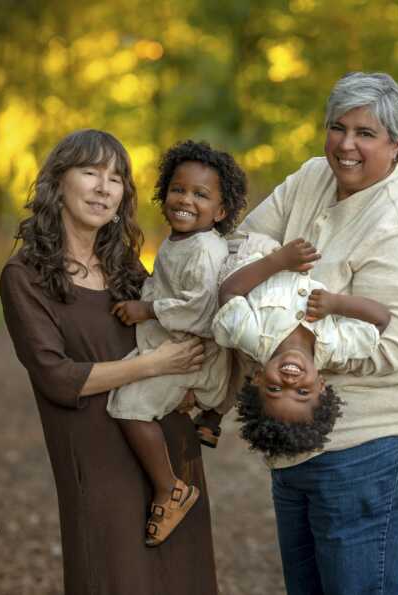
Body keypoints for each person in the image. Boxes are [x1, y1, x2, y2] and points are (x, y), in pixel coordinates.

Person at [238, 72, 398, 594]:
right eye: (338, 127)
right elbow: (248, 242)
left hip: (375, 438)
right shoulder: (311, 177)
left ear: (397, 144)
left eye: (366, 133)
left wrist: (292, 340)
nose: (347, 144)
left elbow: (389, 343)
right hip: (295, 430)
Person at [0, 129, 218, 594]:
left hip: (168, 447)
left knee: (184, 579)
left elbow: (184, 330)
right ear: (58, 182)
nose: (103, 187)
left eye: (116, 178)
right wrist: (152, 366)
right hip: (97, 462)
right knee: (114, 578)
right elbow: (57, 378)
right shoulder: (25, 276)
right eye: (90, 172)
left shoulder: (126, 266)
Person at [106, 140, 247, 546]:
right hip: (180, 347)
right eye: (178, 189)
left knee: (129, 407)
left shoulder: (204, 249)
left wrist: (146, 310)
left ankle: (171, 488)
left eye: (201, 195)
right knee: (132, 396)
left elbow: (202, 311)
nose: (186, 200)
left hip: (196, 357)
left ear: (220, 212)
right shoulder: (179, 240)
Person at [212, 231, 391, 458]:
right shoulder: (335, 347)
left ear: (258, 379)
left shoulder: (250, 336)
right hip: (306, 247)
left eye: (275, 389)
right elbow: (381, 319)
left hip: (253, 253)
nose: (289, 382)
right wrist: (337, 304)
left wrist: (278, 261)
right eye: (302, 391)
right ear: (321, 385)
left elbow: (229, 292)